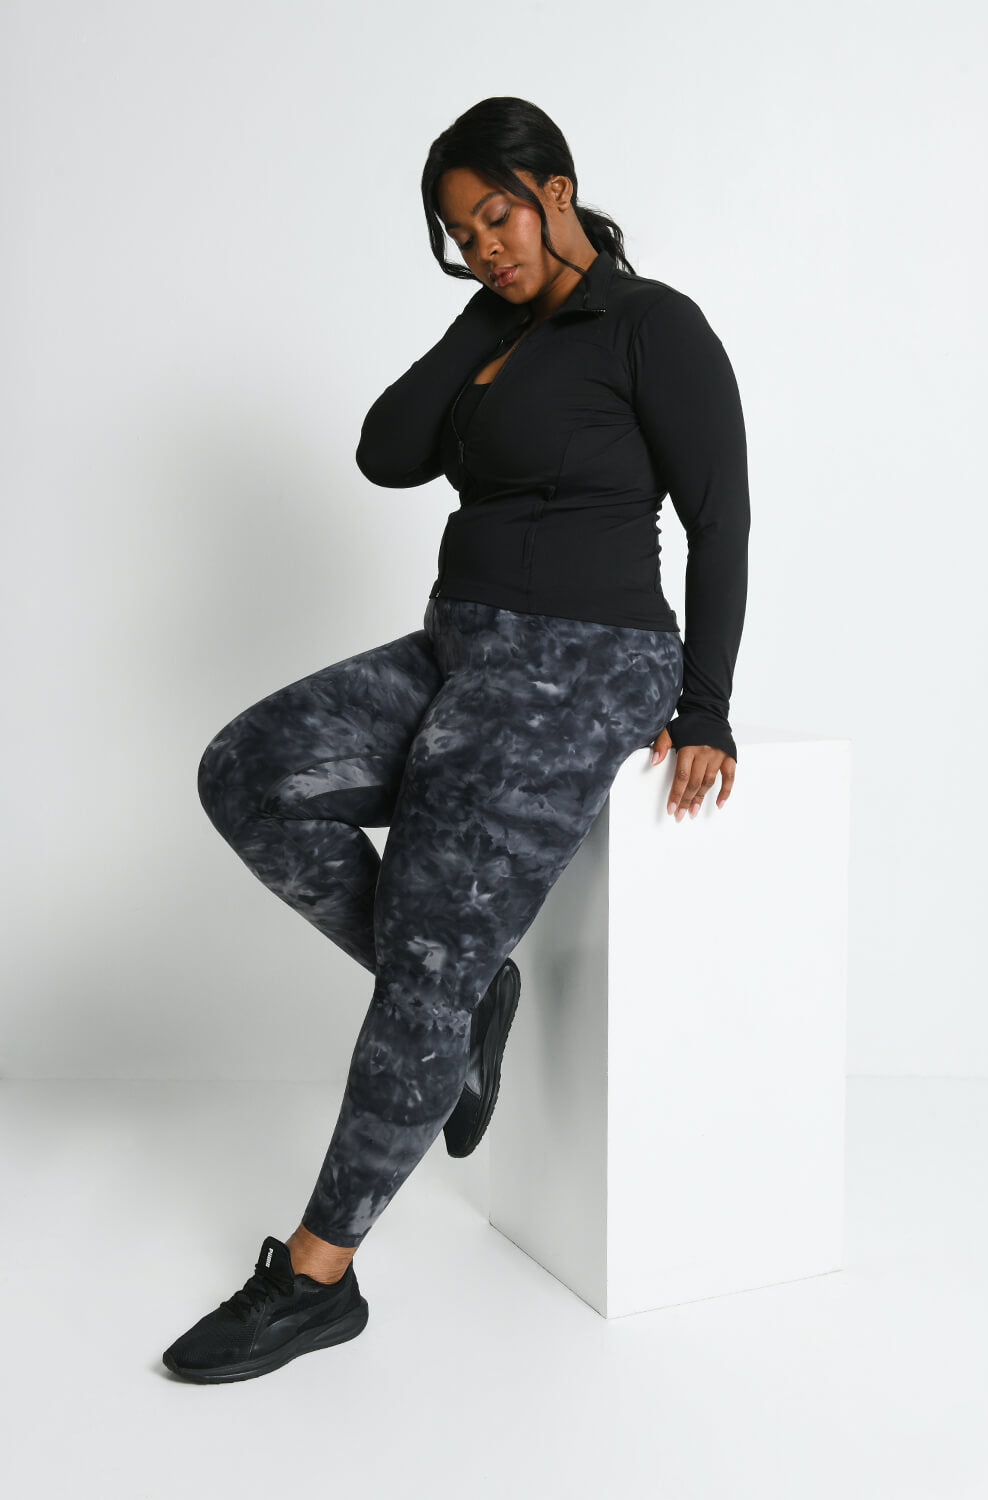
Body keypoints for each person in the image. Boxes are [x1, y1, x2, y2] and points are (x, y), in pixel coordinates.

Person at [161, 95, 750, 1384]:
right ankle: (471, 990)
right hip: (458, 644)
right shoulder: (499, 330)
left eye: (498, 215)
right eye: (459, 232)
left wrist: (705, 706)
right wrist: (486, 318)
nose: (482, 243)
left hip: (588, 659)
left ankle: (319, 1277)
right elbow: (387, 453)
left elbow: (722, 519)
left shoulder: (654, 326)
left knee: (426, 955)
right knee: (249, 772)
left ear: (557, 191)